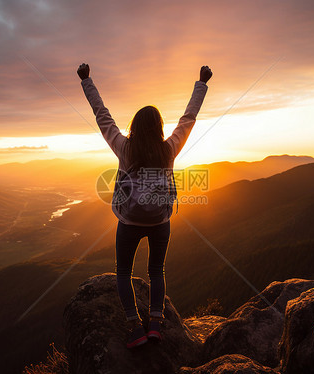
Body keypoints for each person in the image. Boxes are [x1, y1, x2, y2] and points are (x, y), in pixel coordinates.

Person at [77, 63, 212, 348]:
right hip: (161, 222)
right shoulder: (169, 149)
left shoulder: (125, 148)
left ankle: (134, 326)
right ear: (159, 127)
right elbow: (189, 118)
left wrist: (86, 80)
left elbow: (103, 116)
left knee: (124, 273)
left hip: (128, 222)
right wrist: (201, 83)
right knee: (156, 270)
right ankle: (155, 324)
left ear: (135, 127)